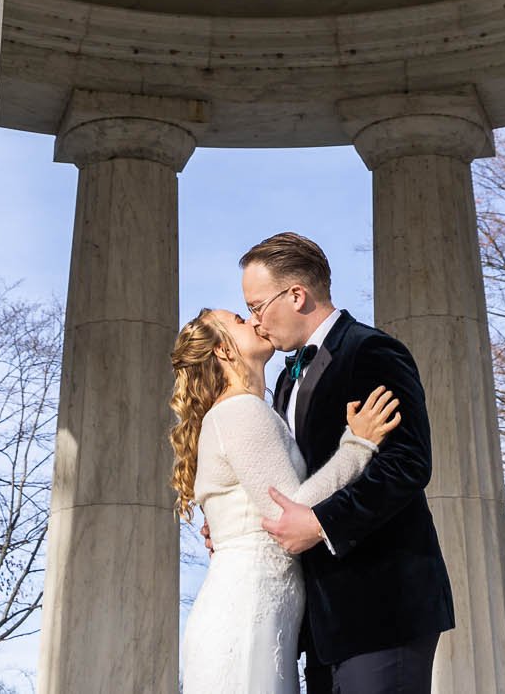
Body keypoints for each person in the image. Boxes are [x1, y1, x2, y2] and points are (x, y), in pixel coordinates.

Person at [241, 232, 454, 693]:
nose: (256, 322)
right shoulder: (282, 382)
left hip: (384, 604)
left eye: (257, 306)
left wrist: (321, 524)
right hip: (321, 621)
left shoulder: (371, 351)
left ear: (296, 294)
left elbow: (407, 464)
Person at [173, 306, 403, 694]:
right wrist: (357, 445)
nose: (255, 321)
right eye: (240, 321)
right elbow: (289, 513)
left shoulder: (250, 410)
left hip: (261, 616)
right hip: (245, 618)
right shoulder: (241, 411)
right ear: (223, 351)